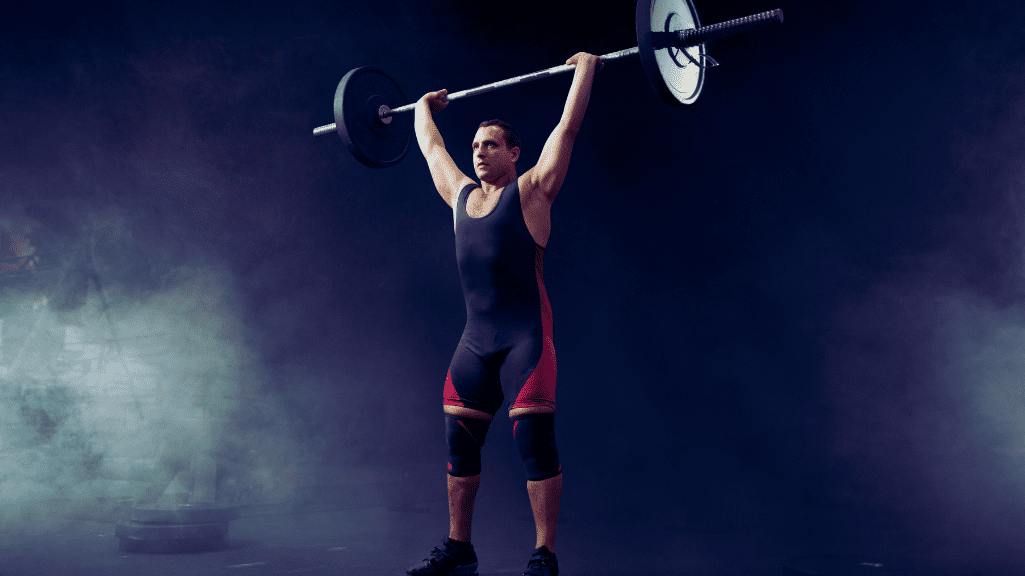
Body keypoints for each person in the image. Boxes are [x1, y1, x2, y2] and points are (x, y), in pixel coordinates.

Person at [407, 52, 602, 576]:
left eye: (490, 144)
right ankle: (459, 548)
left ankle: (545, 554)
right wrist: (422, 107)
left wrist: (585, 69)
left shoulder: (533, 191)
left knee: (534, 441)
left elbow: (568, 127)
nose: (478, 152)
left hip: (525, 341)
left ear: (515, 152)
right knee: (458, 441)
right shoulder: (459, 197)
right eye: (474, 145)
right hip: (475, 342)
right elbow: (431, 149)